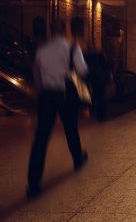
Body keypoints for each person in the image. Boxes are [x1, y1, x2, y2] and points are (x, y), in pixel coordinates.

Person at [27, 20, 88, 199]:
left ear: (51, 31)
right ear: (65, 31)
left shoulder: (41, 51)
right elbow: (82, 71)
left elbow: (36, 77)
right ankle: (78, 159)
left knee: (41, 138)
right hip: (66, 94)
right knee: (71, 128)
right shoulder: (72, 49)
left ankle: (33, 184)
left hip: (47, 96)